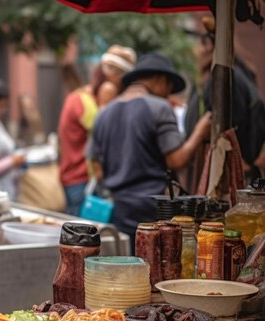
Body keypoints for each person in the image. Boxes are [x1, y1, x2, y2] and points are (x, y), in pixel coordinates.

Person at [89, 53, 211, 253]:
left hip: (117, 210)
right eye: (169, 89)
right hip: (152, 213)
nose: (168, 95)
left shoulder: (103, 113)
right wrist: (199, 132)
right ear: (160, 80)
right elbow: (177, 160)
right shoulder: (159, 107)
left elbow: (98, 169)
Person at [184, 17, 265, 183]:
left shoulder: (224, 80)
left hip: (227, 177)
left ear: (208, 46)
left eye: (196, 45)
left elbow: (229, 133)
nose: (193, 52)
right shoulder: (218, 79)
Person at [58, 65, 105, 216]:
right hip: (82, 180)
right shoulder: (83, 101)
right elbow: (101, 130)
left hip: (71, 178)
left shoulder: (73, 98)